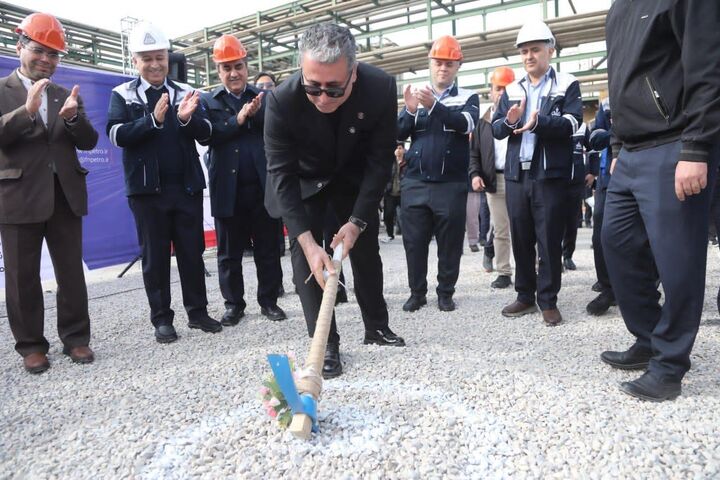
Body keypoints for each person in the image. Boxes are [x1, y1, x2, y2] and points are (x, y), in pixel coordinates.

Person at [264, 23, 405, 379]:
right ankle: (325, 342)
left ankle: (376, 326)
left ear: (353, 73)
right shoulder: (281, 100)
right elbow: (280, 175)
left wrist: (357, 221)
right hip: (304, 179)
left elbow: (379, 162)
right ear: (301, 71)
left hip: (352, 176)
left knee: (366, 249)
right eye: (313, 87)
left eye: (333, 88)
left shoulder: (381, 88)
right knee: (305, 260)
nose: (322, 98)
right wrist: (309, 243)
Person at [600, 0, 720, 401]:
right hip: (630, 152)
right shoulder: (618, 9)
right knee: (616, 244)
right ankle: (650, 338)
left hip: (674, 146)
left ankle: (669, 366)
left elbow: (706, 67)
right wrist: (616, 145)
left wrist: (697, 148)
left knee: (678, 260)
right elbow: (619, 80)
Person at [107, 23, 221, 344]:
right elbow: (116, 134)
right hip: (147, 193)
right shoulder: (123, 94)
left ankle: (197, 313)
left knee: (191, 253)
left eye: (160, 57)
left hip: (185, 188)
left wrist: (186, 119)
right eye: (147, 59)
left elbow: (208, 132)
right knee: (155, 257)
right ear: (135, 61)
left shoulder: (185, 92)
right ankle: (162, 319)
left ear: (168, 57)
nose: (155, 64)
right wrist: (152, 121)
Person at [0, 13, 98, 373]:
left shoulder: (63, 95)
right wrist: (25, 112)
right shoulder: (1, 90)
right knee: (22, 276)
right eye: (40, 51)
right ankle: (31, 346)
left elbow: (88, 141)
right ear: (20, 46)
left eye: (54, 54)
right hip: (18, 196)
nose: (46, 60)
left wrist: (73, 119)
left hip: (64, 195)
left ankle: (76, 339)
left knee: (70, 271)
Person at [492, 20, 582, 326]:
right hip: (518, 175)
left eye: (535, 49)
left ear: (550, 51)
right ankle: (525, 295)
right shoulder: (512, 89)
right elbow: (496, 129)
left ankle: (548, 300)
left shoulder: (566, 84)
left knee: (548, 238)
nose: (529, 56)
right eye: (524, 51)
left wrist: (539, 123)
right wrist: (509, 121)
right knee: (521, 237)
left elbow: (573, 123)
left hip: (549, 175)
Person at [199, 35, 286, 325]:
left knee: (268, 249)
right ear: (218, 71)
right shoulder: (208, 101)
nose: (233, 73)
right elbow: (206, 135)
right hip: (228, 189)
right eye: (226, 68)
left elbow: (277, 132)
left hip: (263, 188)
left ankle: (269, 301)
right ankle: (234, 304)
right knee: (228, 254)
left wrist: (256, 114)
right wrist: (238, 119)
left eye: (238, 66)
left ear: (246, 66)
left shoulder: (265, 98)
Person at [397, 35, 480, 312]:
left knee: (450, 242)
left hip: (450, 184)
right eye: (438, 63)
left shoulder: (468, 97)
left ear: (458, 65)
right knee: (414, 242)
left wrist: (433, 106)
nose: (442, 68)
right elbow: (398, 135)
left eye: (448, 63)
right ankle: (416, 293)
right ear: (430, 63)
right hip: (416, 182)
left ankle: (445, 292)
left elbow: (464, 124)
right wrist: (409, 111)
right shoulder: (416, 97)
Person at [469, 66, 515, 289]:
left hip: (519, 177)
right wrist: (475, 174)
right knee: (500, 228)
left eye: (507, 88)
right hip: (494, 180)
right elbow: (474, 152)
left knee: (527, 225)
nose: (502, 93)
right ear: (491, 90)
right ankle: (504, 271)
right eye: (498, 88)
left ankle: (534, 266)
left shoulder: (520, 115)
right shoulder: (483, 120)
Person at [561, 123, 598, 271]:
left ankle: (568, 255)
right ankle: (552, 257)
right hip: (553, 179)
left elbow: (593, 148)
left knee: (572, 220)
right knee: (552, 220)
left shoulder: (582, 127)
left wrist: (593, 172)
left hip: (576, 180)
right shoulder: (552, 119)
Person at [381, 142, 404, 242]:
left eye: (400, 148)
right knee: (388, 214)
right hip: (390, 192)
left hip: (403, 192)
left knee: (406, 215)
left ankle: (407, 233)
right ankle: (390, 234)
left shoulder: (407, 161)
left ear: (403, 149)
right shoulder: (390, 162)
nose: (398, 150)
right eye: (396, 148)